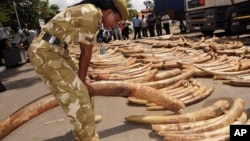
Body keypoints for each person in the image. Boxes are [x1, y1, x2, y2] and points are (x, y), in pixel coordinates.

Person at [27, 0, 128, 141]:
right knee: (78, 91)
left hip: (58, 50)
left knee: (83, 87)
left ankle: (87, 119)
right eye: (116, 20)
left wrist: (84, 78)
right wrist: (82, 80)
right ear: (110, 12)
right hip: (44, 51)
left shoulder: (94, 15)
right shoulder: (91, 13)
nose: (114, 25)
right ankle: (87, 136)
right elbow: (86, 52)